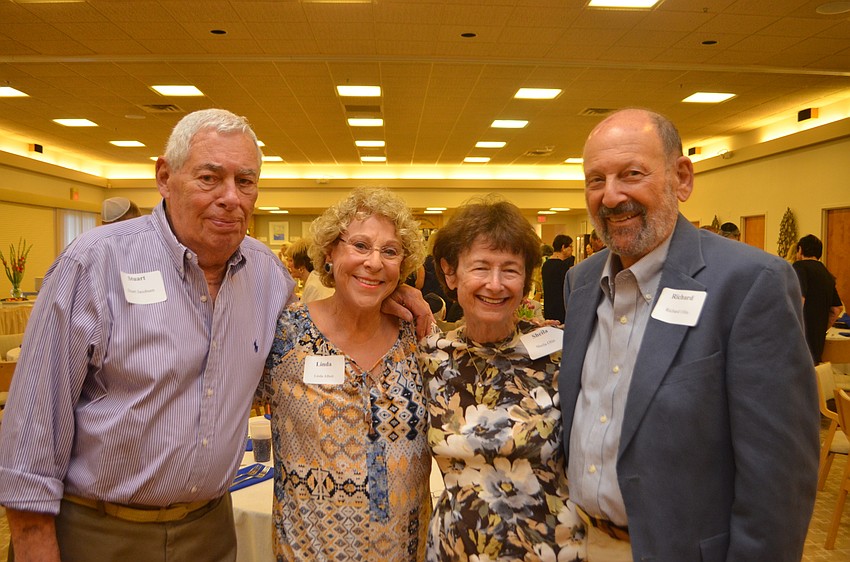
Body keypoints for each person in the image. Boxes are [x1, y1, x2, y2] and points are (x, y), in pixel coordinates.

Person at [0, 108, 297, 561]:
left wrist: (390, 300)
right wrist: (31, 541)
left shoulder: (268, 276)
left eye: (245, 182)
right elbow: (34, 422)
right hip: (98, 532)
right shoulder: (95, 263)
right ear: (164, 177)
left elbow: (324, 337)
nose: (230, 197)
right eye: (209, 178)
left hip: (211, 531)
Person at [560, 109, 818, 561]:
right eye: (595, 180)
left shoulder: (750, 284)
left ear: (681, 178)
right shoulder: (580, 283)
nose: (611, 195)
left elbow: (779, 479)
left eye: (631, 174)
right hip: (578, 543)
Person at [257, 188, 432, 560]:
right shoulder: (284, 334)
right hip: (308, 553)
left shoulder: (417, 339)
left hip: (405, 551)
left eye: (390, 251)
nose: (374, 262)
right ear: (330, 253)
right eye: (360, 245)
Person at [419, 198, 586, 561]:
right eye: (480, 267)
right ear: (450, 273)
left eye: (510, 270)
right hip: (455, 551)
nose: (495, 285)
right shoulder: (429, 358)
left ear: (526, 280)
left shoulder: (561, 354)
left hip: (550, 550)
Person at [793, 234, 844, 363]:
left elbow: (799, 300)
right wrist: (820, 329)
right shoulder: (826, 274)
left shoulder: (799, 267)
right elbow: (837, 309)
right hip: (817, 342)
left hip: (799, 339)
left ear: (800, 249)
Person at [286, 237, 334, 304]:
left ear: (301, 264)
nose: (288, 265)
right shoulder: (317, 279)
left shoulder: (313, 286)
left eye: (291, 260)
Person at [542, 234, 575, 322]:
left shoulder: (546, 265)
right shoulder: (562, 266)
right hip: (561, 311)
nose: (572, 249)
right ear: (563, 247)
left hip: (548, 309)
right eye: (570, 246)